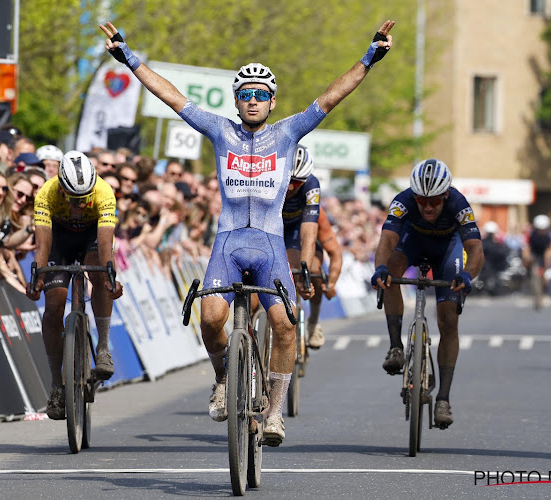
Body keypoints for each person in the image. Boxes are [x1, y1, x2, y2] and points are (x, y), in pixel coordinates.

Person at [101, 18, 395, 445]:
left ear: (272, 102)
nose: (253, 100)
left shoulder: (289, 131)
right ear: (236, 101)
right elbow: (171, 96)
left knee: (284, 325)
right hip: (229, 242)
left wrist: (370, 57)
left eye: (261, 95)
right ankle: (224, 379)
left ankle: (274, 414)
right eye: (245, 95)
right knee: (210, 318)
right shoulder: (220, 131)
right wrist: (129, 58)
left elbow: (332, 96)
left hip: (271, 245)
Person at [371, 159, 484, 429]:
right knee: (391, 273)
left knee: (448, 319)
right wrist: (380, 269)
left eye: (435, 200)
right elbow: (387, 240)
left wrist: (467, 274)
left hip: (447, 250)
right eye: (422, 200)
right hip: (413, 243)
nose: (428, 206)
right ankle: (396, 346)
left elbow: (476, 249)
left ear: (446, 194)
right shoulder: (403, 201)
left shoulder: (459, 204)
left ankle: (443, 398)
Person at [26, 150, 123, 420]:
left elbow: (105, 243)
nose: (80, 205)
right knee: (54, 306)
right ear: (61, 187)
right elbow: (43, 243)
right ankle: (57, 386)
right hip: (59, 239)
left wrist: (110, 276)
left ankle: (102, 347)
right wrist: (39, 277)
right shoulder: (47, 193)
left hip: (92, 237)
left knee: (102, 276)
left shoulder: (104, 193)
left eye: (84, 199)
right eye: (74, 199)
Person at [281, 145, 321, 344]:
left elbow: (309, 234)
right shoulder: (270, 176)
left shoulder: (311, 185)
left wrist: (304, 272)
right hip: (271, 226)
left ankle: (295, 320)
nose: (290, 187)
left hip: (295, 231)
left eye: (296, 183)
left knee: (296, 266)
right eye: (288, 179)